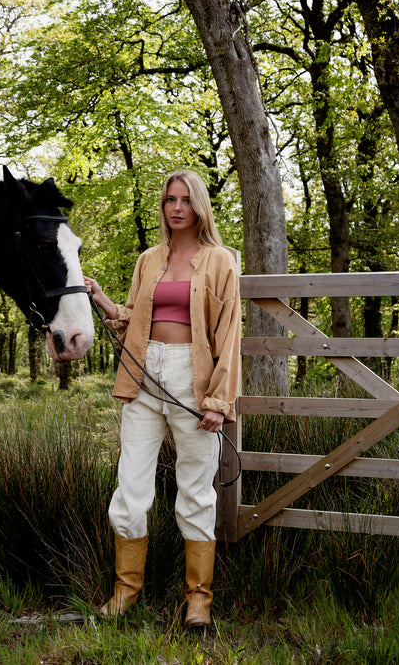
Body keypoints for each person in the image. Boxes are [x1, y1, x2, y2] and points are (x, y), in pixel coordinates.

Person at [84, 170, 241, 629]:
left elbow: (229, 334)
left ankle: (198, 600)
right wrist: (105, 302)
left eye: (185, 200)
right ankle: (125, 591)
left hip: (193, 378)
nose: (176, 208)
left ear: (199, 207)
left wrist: (217, 401)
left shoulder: (220, 261)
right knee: (130, 489)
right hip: (143, 376)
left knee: (195, 491)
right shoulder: (149, 259)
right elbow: (134, 317)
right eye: (170, 200)